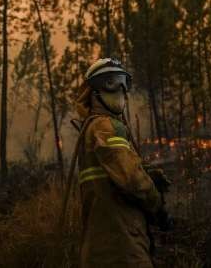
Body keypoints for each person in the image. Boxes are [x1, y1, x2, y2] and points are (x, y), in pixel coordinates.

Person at [69, 57, 172, 268]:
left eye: (124, 82)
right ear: (95, 90)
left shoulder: (94, 127)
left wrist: (147, 171)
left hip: (103, 244)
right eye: (112, 82)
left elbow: (117, 170)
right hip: (121, 247)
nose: (121, 90)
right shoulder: (106, 127)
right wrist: (157, 207)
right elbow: (132, 180)